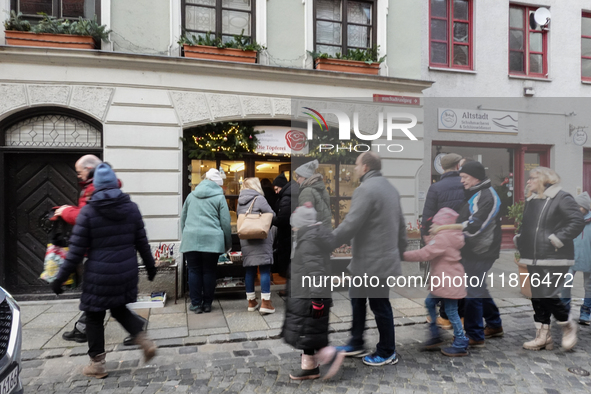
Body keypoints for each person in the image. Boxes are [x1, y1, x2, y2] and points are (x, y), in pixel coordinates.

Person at [51, 163, 158, 379]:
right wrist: (150, 267)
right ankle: (144, 340)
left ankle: (97, 365)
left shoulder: (89, 212)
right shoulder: (131, 208)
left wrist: (59, 279)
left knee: (93, 315)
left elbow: (76, 252)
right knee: (118, 309)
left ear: (97, 186)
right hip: (126, 272)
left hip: (99, 274)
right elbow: (142, 242)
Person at [332, 152, 407, 366]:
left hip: (374, 263)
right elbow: (401, 224)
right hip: (369, 261)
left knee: (379, 305)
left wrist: (328, 241)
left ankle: (387, 351)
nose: (355, 169)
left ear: (365, 167)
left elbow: (350, 224)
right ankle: (356, 342)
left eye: (356, 165)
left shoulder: (365, 189)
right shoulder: (390, 188)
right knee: (357, 299)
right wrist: (399, 251)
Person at [516, 167, 584, 351]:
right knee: (537, 297)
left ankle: (567, 325)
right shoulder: (532, 200)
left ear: (545, 179)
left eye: (532, 179)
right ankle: (543, 336)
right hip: (532, 256)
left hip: (555, 256)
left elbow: (577, 221)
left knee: (547, 294)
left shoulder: (562, 197)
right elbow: (526, 225)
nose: (528, 182)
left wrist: (558, 239)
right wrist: (520, 238)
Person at [282, 203, 344, 380]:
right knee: (308, 333)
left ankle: (332, 356)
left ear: (301, 224)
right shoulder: (309, 237)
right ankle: (310, 367)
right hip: (306, 295)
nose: (293, 227)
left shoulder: (309, 241)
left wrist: (317, 301)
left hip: (311, 297)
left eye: (295, 223)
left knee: (312, 332)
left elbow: (316, 273)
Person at [404, 208, 469, 357]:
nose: (433, 225)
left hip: (448, 282)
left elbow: (426, 253)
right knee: (429, 302)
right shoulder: (447, 236)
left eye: (435, 223)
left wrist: (403, 255)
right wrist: (430, 235)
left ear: (442, 224)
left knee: (452, 311)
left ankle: (460, 341)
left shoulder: (443, 238)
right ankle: (435, 333)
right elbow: (434, 247)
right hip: (447, 281)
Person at [52, 154, 101, 343]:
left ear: (89, 169)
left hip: (96, 250)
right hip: (99, 251)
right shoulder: (95, 187)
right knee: (105, 298)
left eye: (79, 172)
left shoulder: (94, 188)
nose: (78, 176)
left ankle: (137, 331)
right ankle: (82, 329)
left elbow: (87, 216)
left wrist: (66, 212)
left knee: (99, 297)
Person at [457, 160, 503, 347]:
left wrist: (450, 229)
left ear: (475, 178)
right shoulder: (475, 192)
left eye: (465, 177)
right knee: (479, 288)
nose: (462, 181)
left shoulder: (488, 196)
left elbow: (475, 226)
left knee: (472, 291)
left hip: (482, 251)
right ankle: (494, 324)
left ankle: (475, 335)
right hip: (473, 250)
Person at [421, 153, 465, 329]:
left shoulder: (436, 187)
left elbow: (427, 217)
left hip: (441, 238)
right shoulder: (465, 185)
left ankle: (444, 316)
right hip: (460, 237)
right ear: (457, 166)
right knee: (458, 277)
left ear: (442, 168)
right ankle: (459, 316)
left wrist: (427, 240)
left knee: (441, 277)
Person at [180, 168, 232, 314]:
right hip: (212, 240)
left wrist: (186, 236)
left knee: (194, 270)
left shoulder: (191, 195)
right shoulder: (219, 197)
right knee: (209, 271)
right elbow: (225, 222)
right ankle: (207, 304)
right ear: (217, 184)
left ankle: (196, 304)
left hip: (191, 238)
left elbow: (183, 219)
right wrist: (227, 244)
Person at [237, 177, 276, 314]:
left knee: (250, 270)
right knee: (264, 269)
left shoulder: (240, 201)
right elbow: (272, 215)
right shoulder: (259, 199)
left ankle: (251, 302)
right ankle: (265, 302)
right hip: (260, 238)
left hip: (247, 239)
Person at [561, 191, 591, 325]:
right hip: (571, 257)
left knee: (589, 287)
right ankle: (564, 311)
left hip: (589, 258)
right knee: (565, 282)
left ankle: (586, 312)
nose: (577, 209)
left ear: (585, 207)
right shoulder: (570, 219)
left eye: (580, 206)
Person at [272, 173, 298, 279]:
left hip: (287, 234)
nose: (276, 192)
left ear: (282, 186)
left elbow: (283, 218)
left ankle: (289, 290)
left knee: (286, 261)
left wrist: (271, 219)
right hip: (291, 233)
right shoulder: (288, 195)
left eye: (277, 188)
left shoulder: (286, 197)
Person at [295, 159, 331, 228]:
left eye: (298, 177)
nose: (297, 181)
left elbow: (305, 220)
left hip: (313, 235)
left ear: (304, 176)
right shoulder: (320, 188)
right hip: (324, 232)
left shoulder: (307, 191)